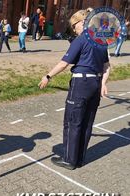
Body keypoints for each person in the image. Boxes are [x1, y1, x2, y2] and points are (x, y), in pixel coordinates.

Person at [38, 9, 111, 170]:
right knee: (87, 123)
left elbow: (64, 63)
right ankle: (80, 158)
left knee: (73, 122)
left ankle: (70, 159)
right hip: (96, 83)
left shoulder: (82, 39)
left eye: (74, 26)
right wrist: (103, 83)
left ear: (82, 23)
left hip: (81, 84)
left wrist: (48, 76)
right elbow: (106, 66)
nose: (73, 29)